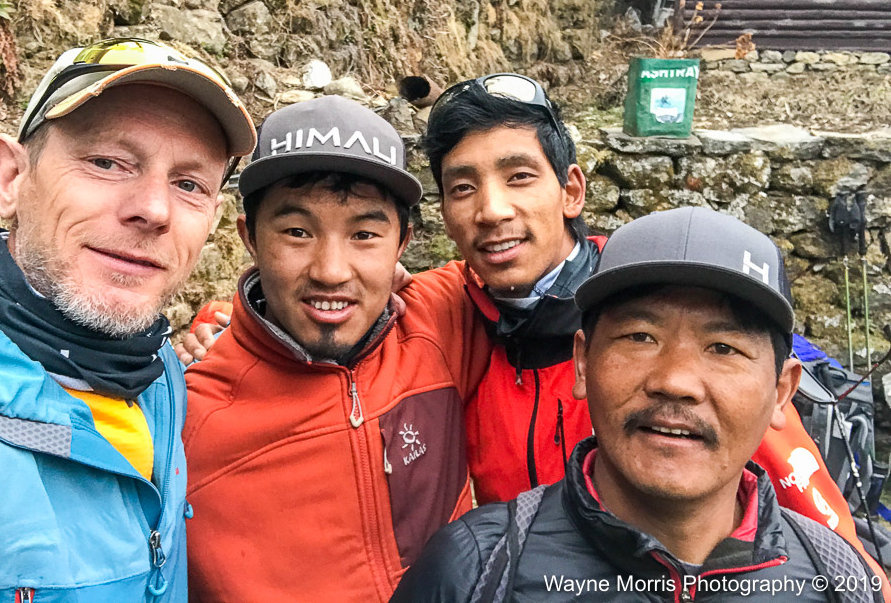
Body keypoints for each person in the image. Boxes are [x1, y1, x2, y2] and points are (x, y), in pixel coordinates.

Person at [181, 73, 883, 572]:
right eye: (463, 187)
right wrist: (225, 322)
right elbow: (326, 296)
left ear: (571, 189)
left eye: (519, 177)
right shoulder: (449, 310)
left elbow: (822, 532)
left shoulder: (659, 318)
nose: (492, 210)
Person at [391, 208, 885, 603]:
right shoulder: (473, 571)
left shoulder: (838, 578)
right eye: (639, 336)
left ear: (781, 391)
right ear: (582, 363)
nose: (675, 381)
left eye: (723, 348)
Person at [0, 37, 254, 602]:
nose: (154, 210)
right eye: (106, 162)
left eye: (189, 184)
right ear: (10, 179)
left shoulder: (160, 376)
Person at [182, 96, 493, 603]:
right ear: (249, 238)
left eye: (364, 234)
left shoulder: (440, 320)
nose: (331, 270)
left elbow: (556, 268)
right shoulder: (186, 420)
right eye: (297, 232)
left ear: (403, 243)